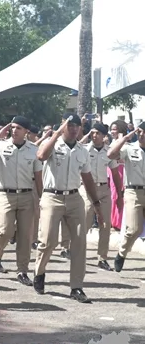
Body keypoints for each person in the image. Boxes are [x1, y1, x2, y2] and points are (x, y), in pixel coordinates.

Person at [33, 115, 103, 302]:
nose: (73, 129)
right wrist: (56, 133)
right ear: (64, 126)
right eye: (69, 125)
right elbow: (41, 156)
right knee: (48, 241)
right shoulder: (52, 144)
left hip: (74, 197)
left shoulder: (82, 150)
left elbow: (87, 178)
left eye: (76, 126)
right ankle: (39, 272)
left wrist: (96, 203)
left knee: (79, 242)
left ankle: (77, 287)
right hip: (51, 196)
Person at [0, 116, 43, 286]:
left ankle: (22, 270)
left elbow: (38, 177)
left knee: (25, 235)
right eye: (12, 127)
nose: (14, 130)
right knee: (4, 231)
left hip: (27, 195)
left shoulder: (33, 150)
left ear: (27, 131)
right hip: (5, 194)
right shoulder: (0, 145)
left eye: (18, 128)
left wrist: (41, 198)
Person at [83, 123, 123, 271]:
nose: (94, 135)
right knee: (84, 223)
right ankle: (78, 253)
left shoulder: (109, 152)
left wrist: (119, 194)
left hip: (104, 189)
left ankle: (102, 258)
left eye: (98, 133)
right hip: (87, 189)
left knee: (105, 225)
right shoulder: (85, 150)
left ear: (104, 135)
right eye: (93, 133)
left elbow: (115, 173)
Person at [107, 122, 145, 272]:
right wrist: (124, 139)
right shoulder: (129, 148)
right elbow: (110, 155)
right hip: (133, 192)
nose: (141, 134)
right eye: (139, 131)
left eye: (144, 132)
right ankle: (122, 253)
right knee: (134, 229)